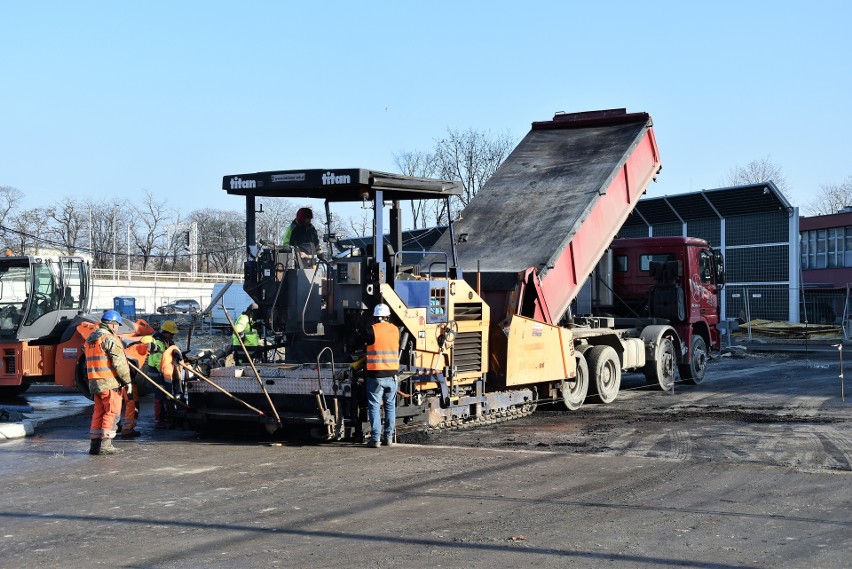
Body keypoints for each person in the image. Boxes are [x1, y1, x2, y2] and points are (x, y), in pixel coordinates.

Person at [85, 310, 132, 455]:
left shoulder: (90, 339)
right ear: (111, 324)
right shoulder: (110, 339)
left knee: (98, 412)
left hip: (94, 382)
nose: (117, 327)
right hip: (110, 382)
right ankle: (105, 445)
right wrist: (127, 381)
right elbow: (119, 363)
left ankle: (94, 445)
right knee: (111, 412)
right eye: (117, 325)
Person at [364, 303, 400, 448]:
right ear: (388, 316)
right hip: (392, 375)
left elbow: (364, 342)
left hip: (376, 376)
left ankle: (375, 439)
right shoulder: (395, 330)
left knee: (374, 407)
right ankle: (389, 438)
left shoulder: (371, 330)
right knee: (390, 407)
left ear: (375, 316)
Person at [144, 320, 178, 428]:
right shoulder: (158, 343)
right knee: (160, 396)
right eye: (171, 334)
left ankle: (166, 416)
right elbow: (158, 360)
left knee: (166, 395)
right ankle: (159, 419)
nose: (173, 336)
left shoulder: (166, 342)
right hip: (157, 372)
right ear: (166, 332)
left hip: (163, 372)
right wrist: (166, 370)